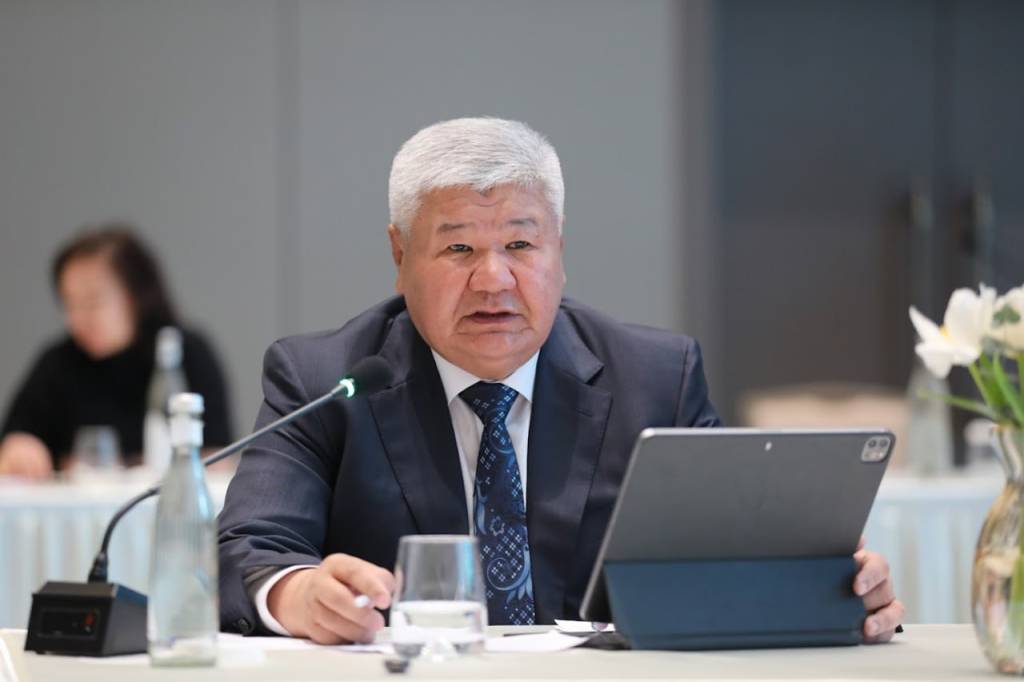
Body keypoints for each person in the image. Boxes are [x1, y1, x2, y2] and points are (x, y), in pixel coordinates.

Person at [218, 118, 903, 643]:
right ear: (400, 255)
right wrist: (296, 593)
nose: (493, 279)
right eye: (458, 247)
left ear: (560, 248)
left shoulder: (656, 378)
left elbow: (729, 558)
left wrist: (829, 589)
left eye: (520, 244)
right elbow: (244, 552)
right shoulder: (326, 380)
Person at [0, 225, 233, 478]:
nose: (78, 318)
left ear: (136, 296)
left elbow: (218, 457)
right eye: (70, 304)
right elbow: (16, 440)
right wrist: (21, 448)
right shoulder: (57, 363)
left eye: (93, 302)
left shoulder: (186, 353)